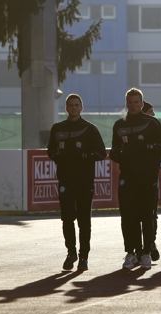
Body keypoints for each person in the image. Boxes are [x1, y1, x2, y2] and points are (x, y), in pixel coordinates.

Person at [109, 88, 161, 270]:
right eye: (130, 102)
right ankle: (131, 252)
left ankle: (146, 253)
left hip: (148, 175)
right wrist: (121, 157)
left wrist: (149, 148)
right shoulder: (119, 125)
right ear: (126, 103)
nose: (133, 105)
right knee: (128, 215)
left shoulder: (151, 123)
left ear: (142, 104)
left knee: (147, 215)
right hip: (127, 175)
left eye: (137, 102)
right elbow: (114, 149)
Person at [47, 94, 107, 271]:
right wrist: (58, 156)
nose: (73, 108)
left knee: (84, 221)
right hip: (65, 180)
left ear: (82, 107)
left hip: (85, 181)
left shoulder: (90, 129)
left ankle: (84, 256)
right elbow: (50, 149)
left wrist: (84, 156)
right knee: (67, 218)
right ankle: (71, 253)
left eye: (76, 105)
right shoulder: (57, 128)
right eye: (70, 105)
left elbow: (101, 153)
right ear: (65, 108)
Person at [141, 101, 161, 262]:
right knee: (134, 214)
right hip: (133, 177)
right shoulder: (129, 127)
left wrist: (160, 163)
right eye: (150, 112)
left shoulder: (155, 128)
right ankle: (135, 247)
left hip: (151, 176)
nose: (153, 115)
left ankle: (150, 243)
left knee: (151, 214)